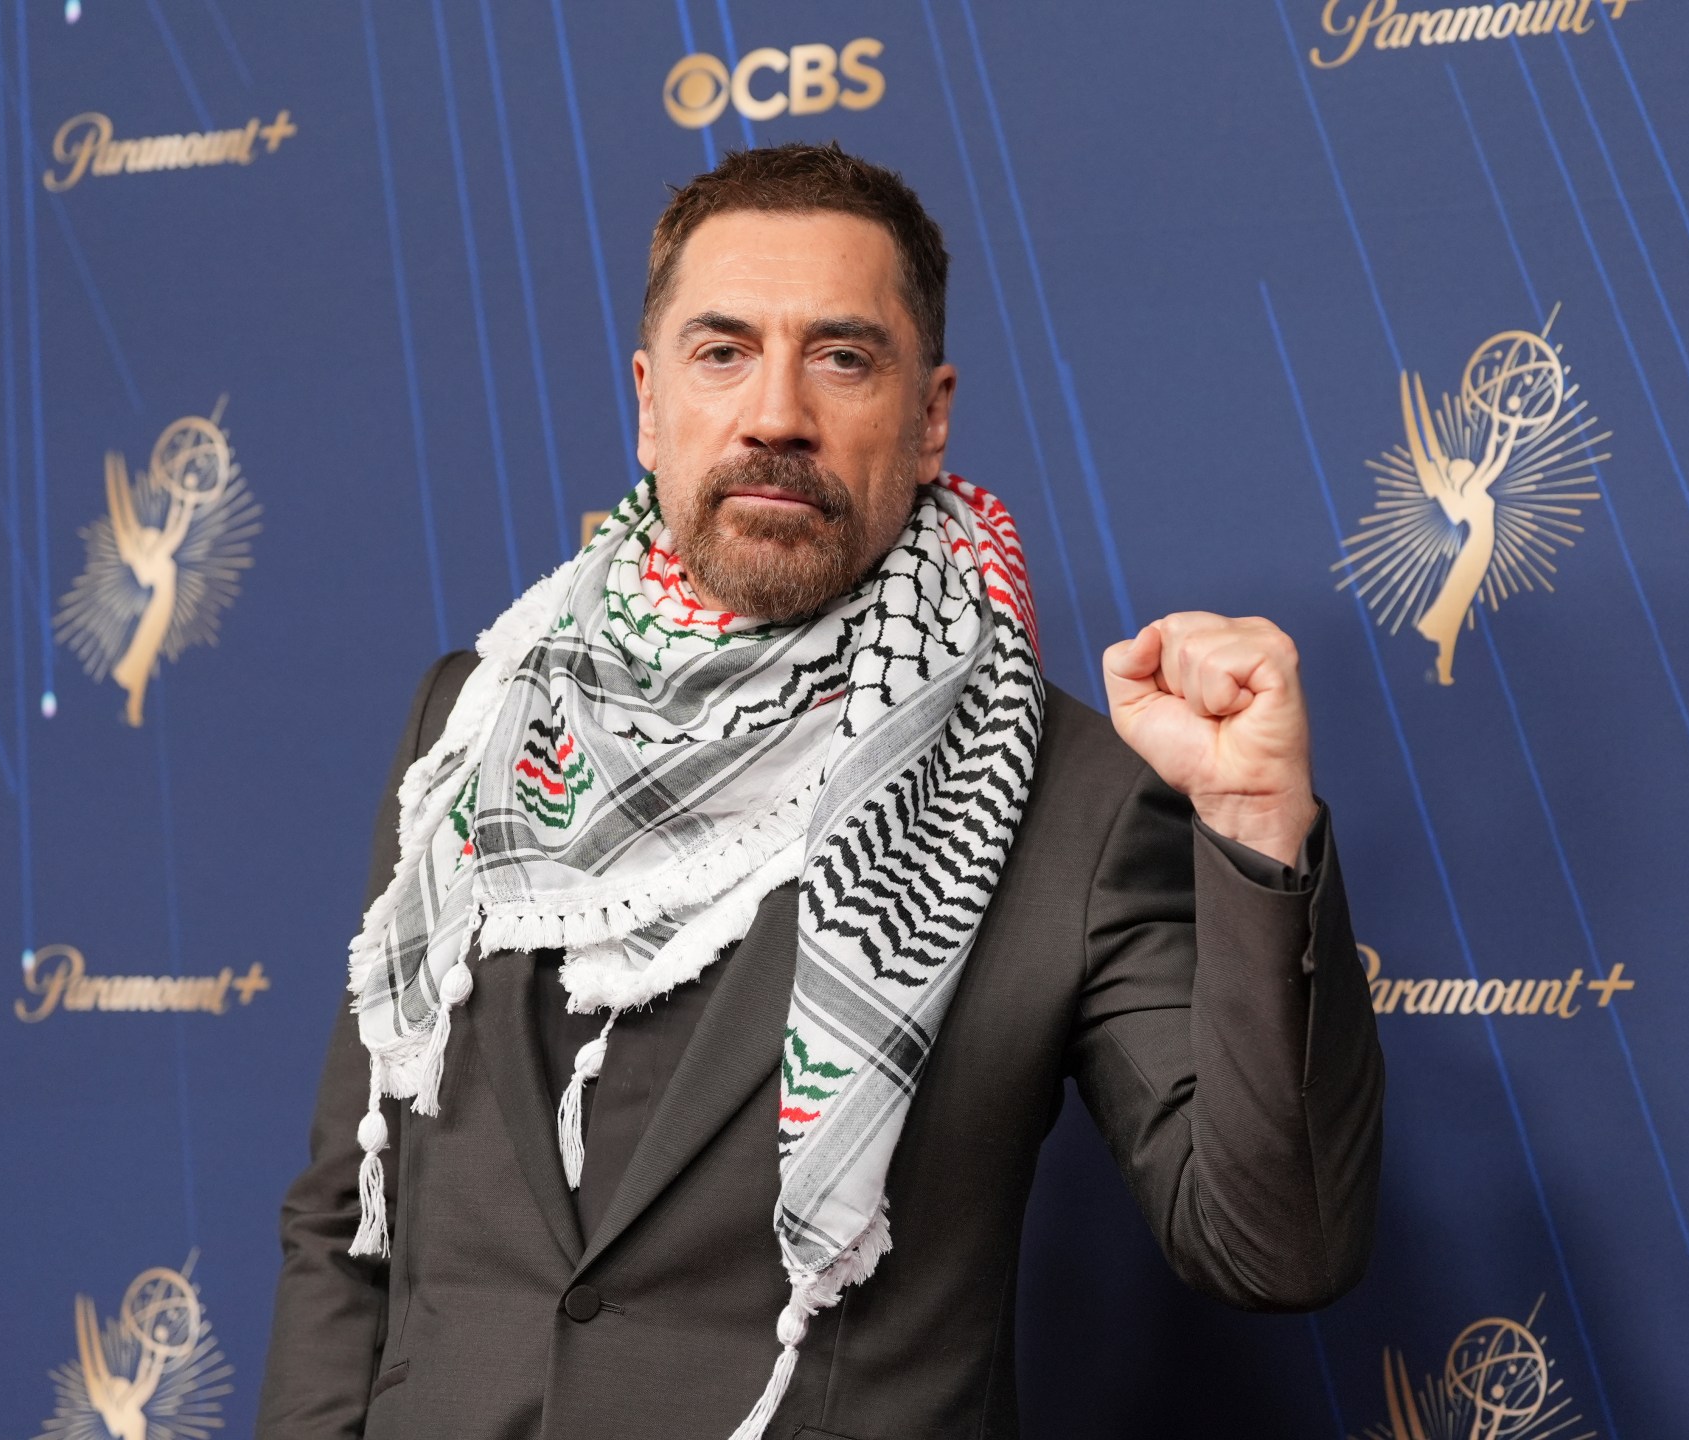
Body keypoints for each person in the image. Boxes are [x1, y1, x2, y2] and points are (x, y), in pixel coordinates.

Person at [256, 142, 1382, 1440]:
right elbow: (348, 1218)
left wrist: (1254, 831)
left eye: (842, 357)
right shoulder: (472, 719)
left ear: (932, 416)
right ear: (648, 402)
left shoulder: (1064, 792)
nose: (776, 413)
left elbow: (1273, 1245)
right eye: (722, 352)